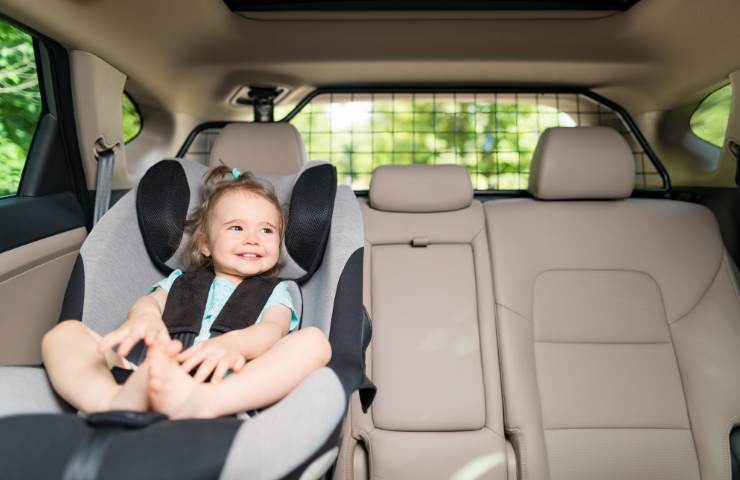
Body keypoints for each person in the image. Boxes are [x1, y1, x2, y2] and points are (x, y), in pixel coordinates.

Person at [42, 165, 332, 420]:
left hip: (226, 382)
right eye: (237, 227)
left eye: (267, 231)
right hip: (148, 372)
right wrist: (144, 319)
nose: (253, 239)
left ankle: (202, 403)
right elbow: (150, 303)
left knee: (315, 342)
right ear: (205, 244)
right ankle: (109, 400)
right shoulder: (180, 281)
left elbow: (273, 329)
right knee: (64, 334)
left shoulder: (277, 291)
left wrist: (236, 345)